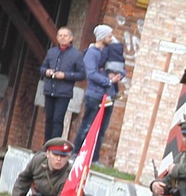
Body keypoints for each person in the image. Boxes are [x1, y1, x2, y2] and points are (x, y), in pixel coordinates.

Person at [72, 24, 124, 165]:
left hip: (109, 95)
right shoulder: (92, 53)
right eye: (109, 36)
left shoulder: (110, 51)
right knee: (87, 125)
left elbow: (120, 66)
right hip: (95, 95)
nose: (111, 38)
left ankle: (94, 159)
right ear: (101, 37)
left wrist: (118, 75)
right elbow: (91, 74)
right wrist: (108, 81)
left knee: (101, 130)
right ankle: (76, 153)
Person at [39, 27, 85, 141]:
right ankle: (46, 146)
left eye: (65, 35)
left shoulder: (77, 55)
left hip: (64, 92)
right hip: (50, 89)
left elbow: (82, 75)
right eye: (60, 35)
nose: (62, 38)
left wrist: (65, 75)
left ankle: (54, 146)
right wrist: (46, 72)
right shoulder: (51, 52)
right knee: (49, 118)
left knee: (58, 119)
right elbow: (42, 68)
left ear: (71, 38)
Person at [98, 35, 125, 101]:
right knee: (115, 81)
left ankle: (108, 97)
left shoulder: (108, 47)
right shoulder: (120, 48)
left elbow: (104, 57)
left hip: (111, 65)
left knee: (110, 80)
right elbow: (123, 58)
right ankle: (117, 92)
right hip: (120, 66)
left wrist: (100, 65)